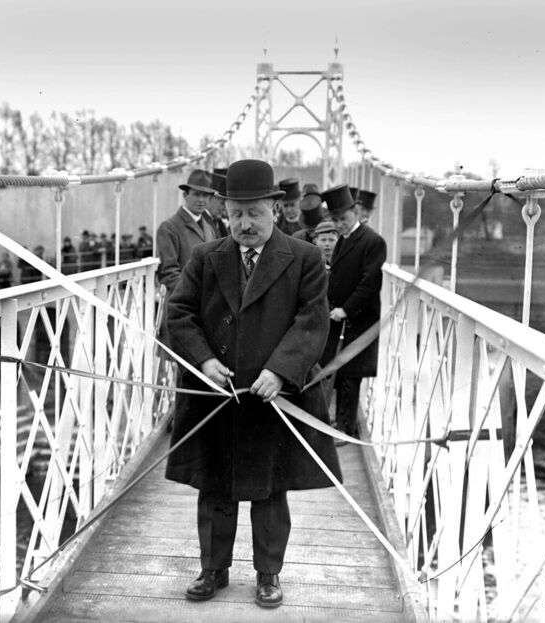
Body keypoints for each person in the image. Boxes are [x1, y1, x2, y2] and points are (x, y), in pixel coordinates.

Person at [165, 159, 342, 609]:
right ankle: (213, 569)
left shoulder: (303, 258)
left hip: (273, 397)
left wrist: (280, 370)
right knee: (215, 487)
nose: (245, 224)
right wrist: (203, 361)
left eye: (255, 214)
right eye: (236, 214)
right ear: (225, 211)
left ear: (275, 209)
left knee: (269, 490)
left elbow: (312, 321)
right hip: (216, 396)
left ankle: (268, 575)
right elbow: (179, 314)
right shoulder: (206, 258)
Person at [318, 184, 386, 444]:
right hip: (339, 318)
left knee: (350, 377)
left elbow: (370, 283)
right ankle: (340, 423)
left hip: (358, 321)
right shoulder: (344, 240)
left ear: (355, 212)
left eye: (343, 219)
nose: (340, 225)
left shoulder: (372, 242)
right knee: (341, 374)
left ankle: (345, 429)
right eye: (335, 220)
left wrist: (346, 309)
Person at [156, 169, 217, 298]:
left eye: (205, 195)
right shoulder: (169, 227)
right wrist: (195, 294)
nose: (201, 200)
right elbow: (168, 273)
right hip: (181, 305)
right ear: (185, 195)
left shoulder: (209, 229)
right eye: (196, 194)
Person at [203, 168, 230, 238]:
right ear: (209, 198)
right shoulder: (201, 222)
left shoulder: (219, 222)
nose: (224, 209)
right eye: (222, 203)